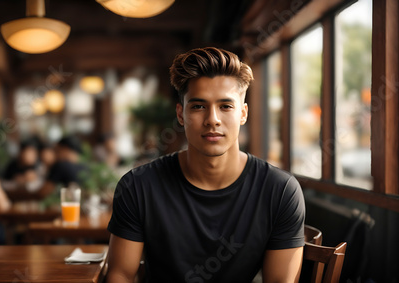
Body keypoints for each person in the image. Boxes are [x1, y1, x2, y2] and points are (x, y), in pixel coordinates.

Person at [106, 47, 305, 283]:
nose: (212, 119)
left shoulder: (279, 190)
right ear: (181, 114)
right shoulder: (138, 186)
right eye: (199, 106)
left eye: (225, 106)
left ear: (243, 113)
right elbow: (120, 275)